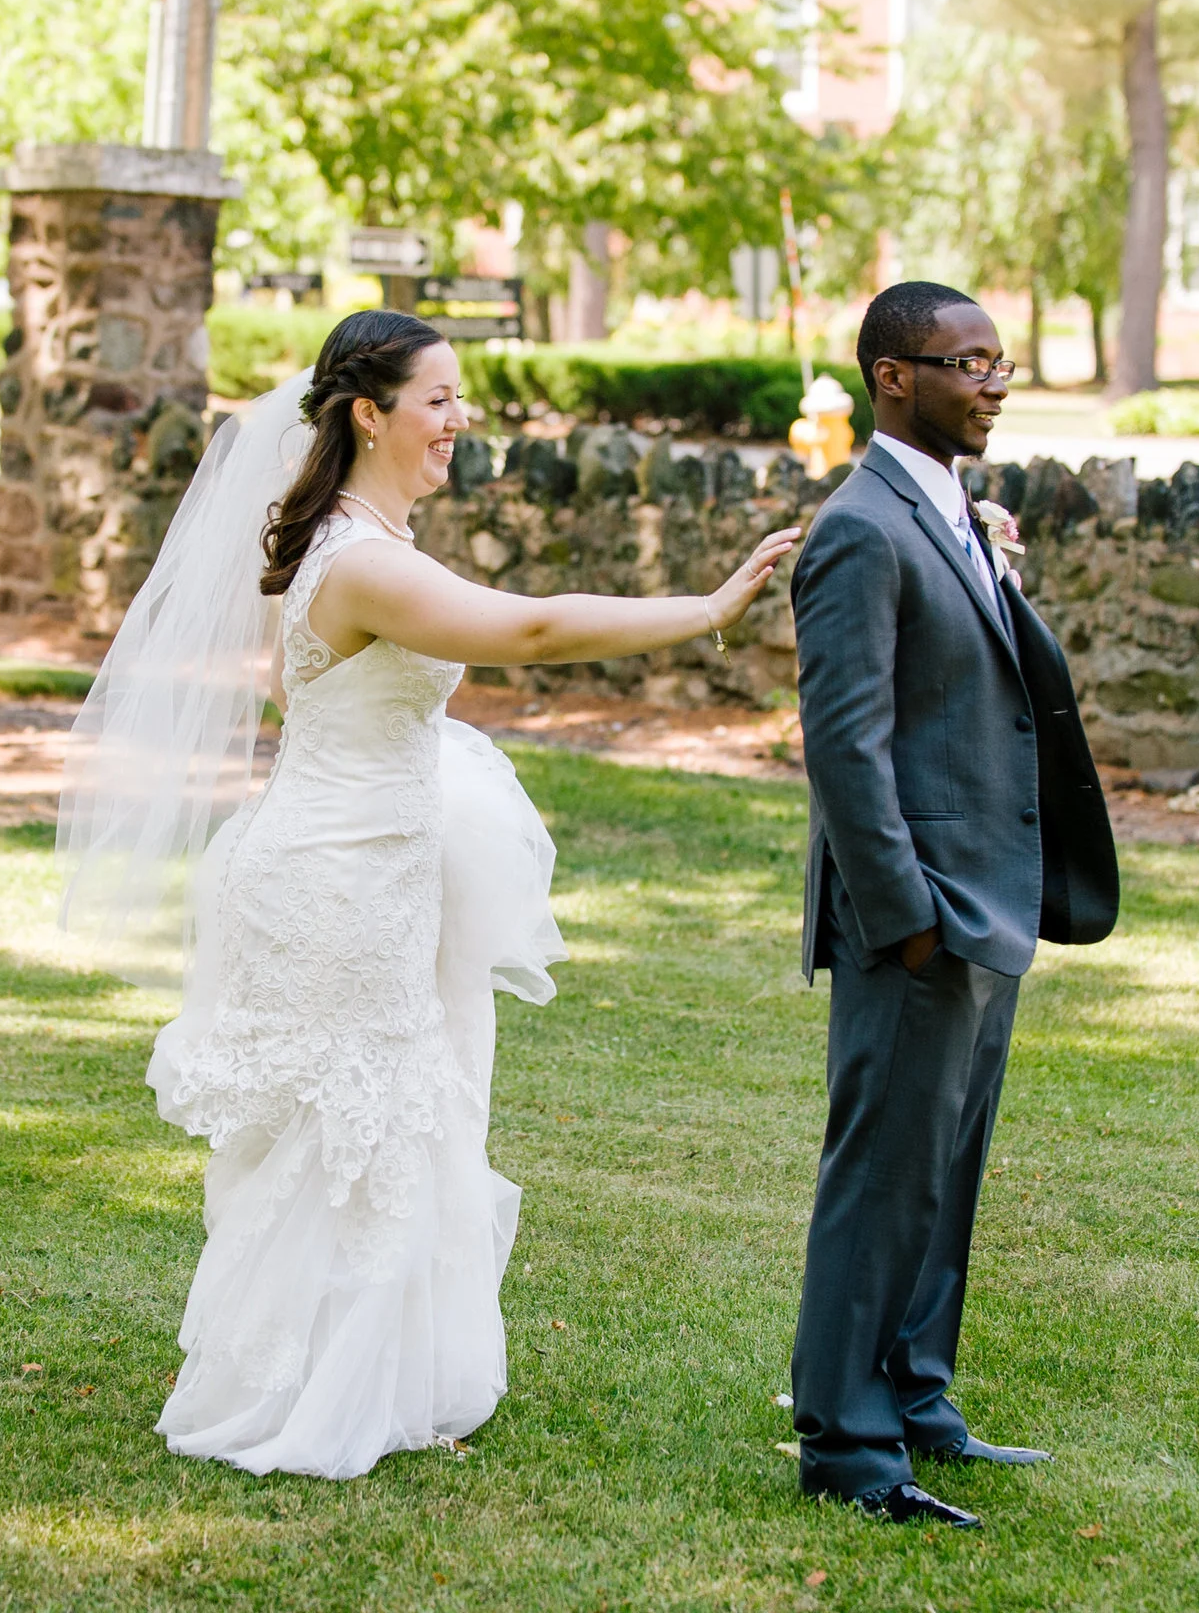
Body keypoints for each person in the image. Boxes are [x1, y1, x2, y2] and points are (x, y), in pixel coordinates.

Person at [59, 309, 800, 1480]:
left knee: (374, 1126)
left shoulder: (355, 538)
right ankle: (295, 1395)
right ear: (372, 412)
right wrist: (706, 610)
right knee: (348, 1130)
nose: (462, 420)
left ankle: (362, 1377)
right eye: (440, 399)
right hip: (333, 881)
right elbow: (534, 626)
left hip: (362, 859)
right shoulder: (360, 562)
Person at [787, 281, 1118, 1527]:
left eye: (999, 361)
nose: (991, 381)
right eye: (964, 361)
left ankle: (920, 1399)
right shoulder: (859, 528)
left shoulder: (953, 511)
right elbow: (847, 747)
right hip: (917, 916)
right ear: (891, 377)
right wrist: (905, 915)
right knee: (881, 1177)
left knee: (945, 1175)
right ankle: (849, 1447)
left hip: (988, 901)